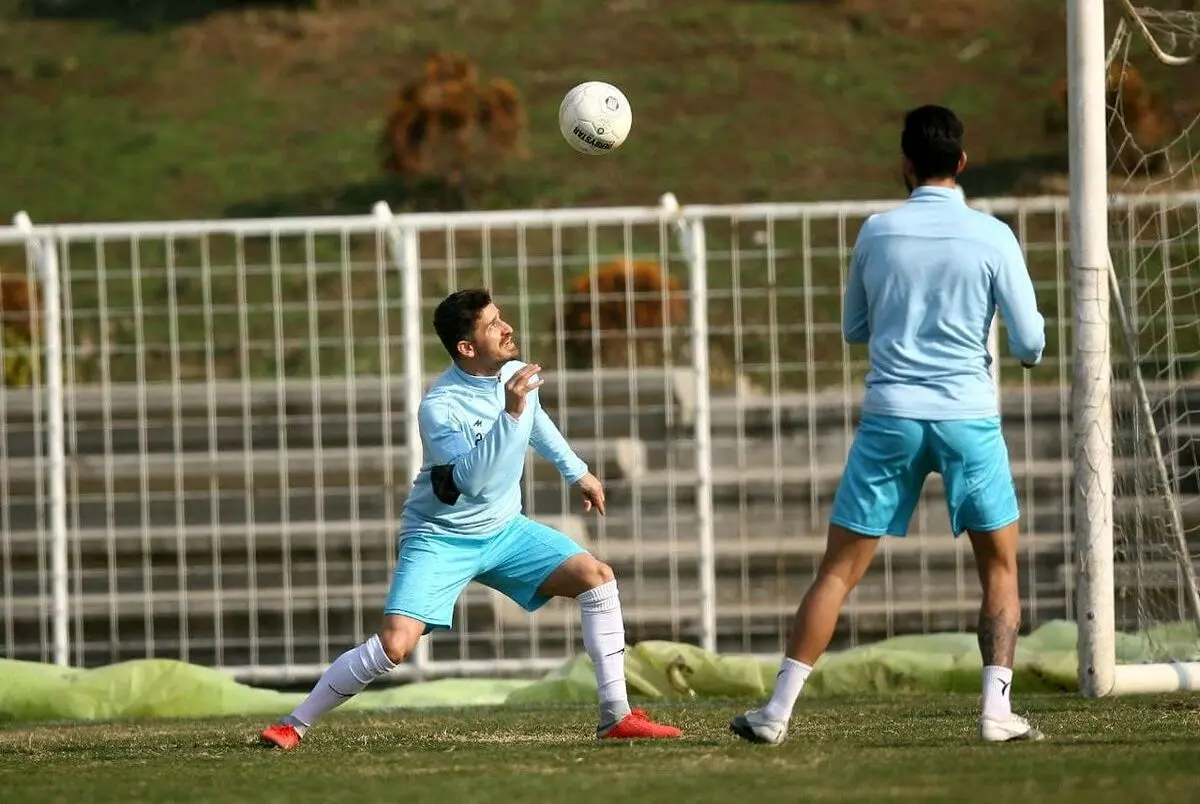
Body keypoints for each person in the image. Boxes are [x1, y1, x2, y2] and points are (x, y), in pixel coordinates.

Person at [729, 105, 1047, 746]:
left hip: (891, 416)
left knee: (837, 572)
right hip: (967, 417)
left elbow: (854, 328)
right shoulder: (993, 235)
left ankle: (777, 712)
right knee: (999, 570)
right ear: (962, 162)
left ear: (905, 163)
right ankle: (995, 712)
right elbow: (1031, 343)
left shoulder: (877, 231)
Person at [260, 289, 682, 749]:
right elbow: (471, 481)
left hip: (504, 530)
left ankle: (616, 715)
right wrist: (510, 413)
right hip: (440, 536)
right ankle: (293, 724)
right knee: (395, 645)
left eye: (501, 318)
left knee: (596, 577)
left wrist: (578, 473)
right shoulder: (440, 406)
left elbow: (537, 422)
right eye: (493, 324)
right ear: (466, 346)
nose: (507, 328)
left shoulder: (514, 378)